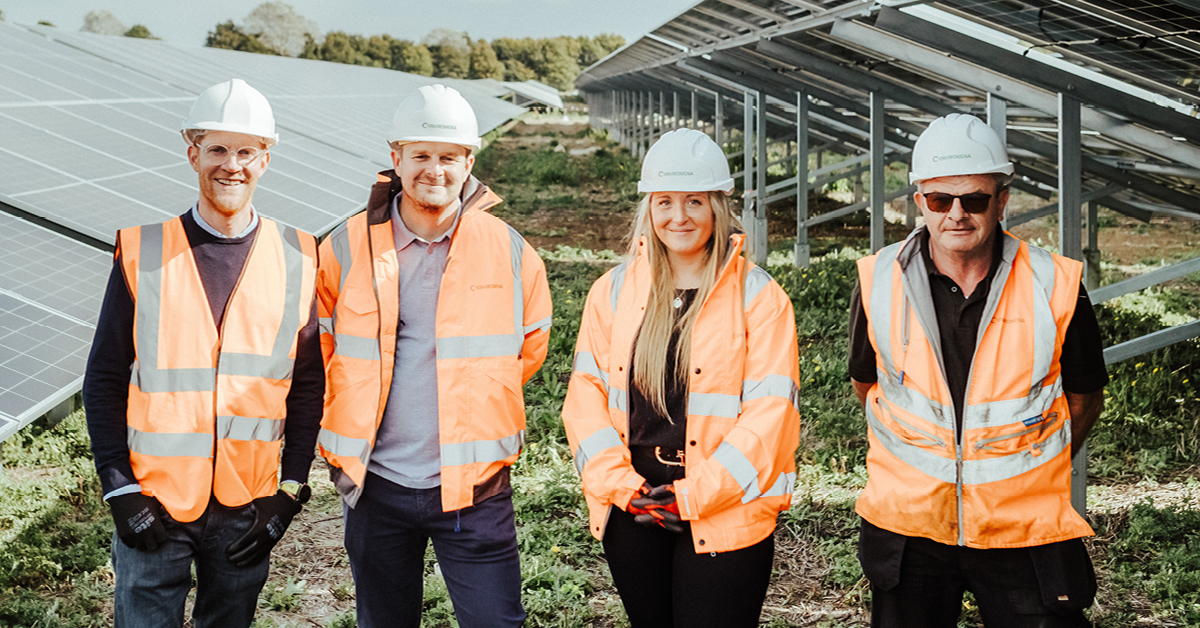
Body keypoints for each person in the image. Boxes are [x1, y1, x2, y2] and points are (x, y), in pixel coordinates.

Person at [849, 113, 1108, 628]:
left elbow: (1084, 396)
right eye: (941, 200)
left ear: (1003, 199)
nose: (957, 214)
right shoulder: (878, 280)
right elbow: (867, 384)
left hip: (1022, 528)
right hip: (911, 527)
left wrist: (1029, 465)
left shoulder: (1053, 283)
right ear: (920, 200)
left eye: (975, 199)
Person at [82, 78, 323, 628]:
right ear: (193, 154)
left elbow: (308, 384)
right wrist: (118, 487)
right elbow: (104, 377)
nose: (230, 165)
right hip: (155, 501)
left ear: (266, 159)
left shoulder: (299, 257)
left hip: (248, 504)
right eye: (217, 148)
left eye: (245, 151)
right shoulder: (142, 251)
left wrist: (290, 491)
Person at [315, 84, 552, 628]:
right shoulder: (346, 248)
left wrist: (475, 404)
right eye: (420, 155)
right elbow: (321, 351)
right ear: (395, 158)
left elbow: (529, 348)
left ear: (469, 161)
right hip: (376, 485)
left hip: (475, 486)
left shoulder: (509, 249)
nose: (435, 169)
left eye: (448, 157)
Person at [562, 128, 801, 628]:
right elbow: (584, 397)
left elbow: (770, 416)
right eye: (665, 201)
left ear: (718, 206)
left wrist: (695, 495)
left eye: (694, 200)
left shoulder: (759, 297)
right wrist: (622, 486)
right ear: (648, 207)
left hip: (724, 509)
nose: (679, 216)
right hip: (635, 506)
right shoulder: (612, 291)